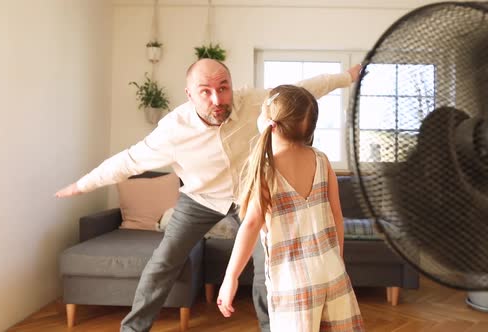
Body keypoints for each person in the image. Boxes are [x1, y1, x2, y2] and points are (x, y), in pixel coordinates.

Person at [55, 58, 360, 332]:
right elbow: (127, 161)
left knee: (267, 265)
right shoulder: (173, 130)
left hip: (249, 197)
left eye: (223, 88)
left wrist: (346, 77)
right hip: (198, 200)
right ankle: (134, 329)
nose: (217, 99)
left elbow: (302, 92)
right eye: (205, 91)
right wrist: (82, 185)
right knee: (163, 262)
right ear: (189, 95)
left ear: (232, 86)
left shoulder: (255, 103)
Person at [216, 85, 365, 332]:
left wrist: (230, 278)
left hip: (293, 282)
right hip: (332, 271)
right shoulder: (321, 160)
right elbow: (337, 215)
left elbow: (251, 225)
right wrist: (337, 259)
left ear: (270, 124)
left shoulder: (266, 171)